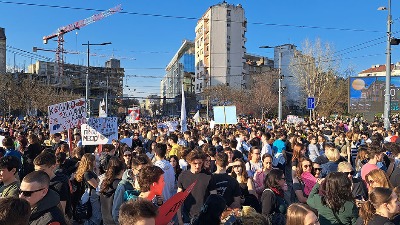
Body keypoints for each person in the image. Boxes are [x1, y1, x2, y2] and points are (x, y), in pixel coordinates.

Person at [177, 150, 217, 225]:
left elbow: (214, 199)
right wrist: (180, 220)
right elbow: (178, 200)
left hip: (204, 218)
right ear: (189, 162)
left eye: (200, 163)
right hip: (187, 218)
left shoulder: (208, 176)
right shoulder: (182, 176)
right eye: (195, 163)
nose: (197, 166)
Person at [33, 151, 71, 217]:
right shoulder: (36, 181)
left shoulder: (59, 185)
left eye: (42, 170)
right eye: (36, 170)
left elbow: (62, 210)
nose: (38, 173)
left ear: (53, 167)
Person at [75, 153, 101, 225]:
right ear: (90, 162)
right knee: (95, 217)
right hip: (91, 197)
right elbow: (96, 185)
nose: (96, 162)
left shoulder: (89, 172)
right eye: (94, 161)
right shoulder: (87, 174)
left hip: (90, 196)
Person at [99, 157, 125, 225]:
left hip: (105, 219)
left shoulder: (104, 183)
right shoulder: (120, 185)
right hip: (116, 220)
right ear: (122, 171)